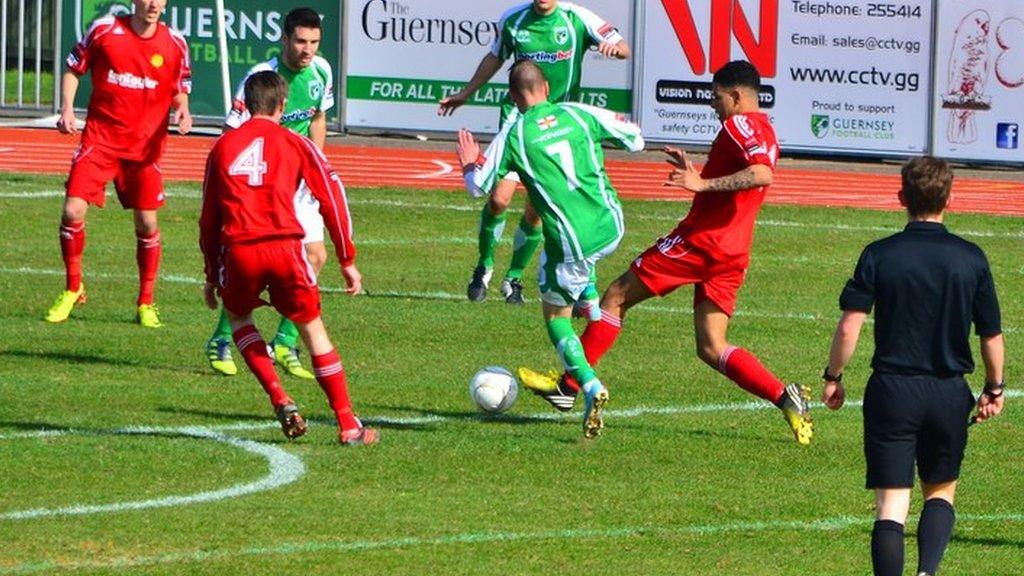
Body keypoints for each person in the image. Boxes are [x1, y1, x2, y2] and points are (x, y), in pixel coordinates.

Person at [519, 60, 814, 444]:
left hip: (701, 242)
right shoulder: (763, 128)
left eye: (717, 97)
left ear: (737, 96)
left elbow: (762, 174)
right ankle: (784, 397)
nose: (713, 105)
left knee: (616, 296)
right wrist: (701, 171)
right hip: (733, 251)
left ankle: (570, 386)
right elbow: (753, 169)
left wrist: (702, 184)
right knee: (711, 346)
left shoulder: (739, 124)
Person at [820, 156, 1004, 576]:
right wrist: (994, 388)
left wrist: (833, 377)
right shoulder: (971, 258)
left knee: (890, 505)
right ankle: (926, 573)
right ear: (950, 198)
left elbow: (850, 326)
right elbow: (991, 335)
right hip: (947, 392)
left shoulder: (879, 254)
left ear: (901, 197)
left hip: (892, 391)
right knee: (940, 493)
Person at [459, 60, 644, 438]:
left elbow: (478, 186)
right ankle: (591, 307)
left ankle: (588, 386)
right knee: (577, 269)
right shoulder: (577, 112)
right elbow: (636, 138)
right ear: (546, 88)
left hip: (572, 242)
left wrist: (467, 163)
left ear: (513, 96)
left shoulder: (514, 134)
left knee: (555, 315)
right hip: (611, 224)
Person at [199, 70, 378, 446]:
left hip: (239, 251)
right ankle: (348, 424)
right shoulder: (296, 143)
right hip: (284, 248)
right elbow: (331, 199)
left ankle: (280, 397)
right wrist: (347, 258)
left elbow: (209, 216)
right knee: (313, 329)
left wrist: (210, 272)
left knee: (239, 319)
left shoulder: (223, 146)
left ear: (246, 105)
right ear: (283, 105)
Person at [438, 0, 630, 305]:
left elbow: (622, 46)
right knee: (499, 198)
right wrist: (466, 93)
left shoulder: (576, 17)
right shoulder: (513, 19)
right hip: (518, 120)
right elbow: (494, 57)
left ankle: (513, 279)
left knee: (538, 209)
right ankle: (484, 266)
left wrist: (616, 50)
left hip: (558, 122)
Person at [204, 7, 335, 378]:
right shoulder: (262, 79)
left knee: (315, 256)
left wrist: (317, 164)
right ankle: (221, 337)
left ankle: (284, 341)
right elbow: (231, 134)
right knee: (257, 267)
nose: (307, 50)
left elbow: (318, 118)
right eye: (300, 41)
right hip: (264, 181)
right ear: (284, 39)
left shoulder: (321, 71)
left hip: (299, 179)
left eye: (314, 42)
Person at [45, 0, 192, 327]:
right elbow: (74, 68)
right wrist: (67, 109)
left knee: (147, 224)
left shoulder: (175, 43)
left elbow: (179, 88)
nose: (154, 4)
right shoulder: (105, 30)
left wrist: (183, 108)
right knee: (72, 211)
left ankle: (145, 302)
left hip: (144, 149)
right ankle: (72, 287)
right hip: (100, 140)